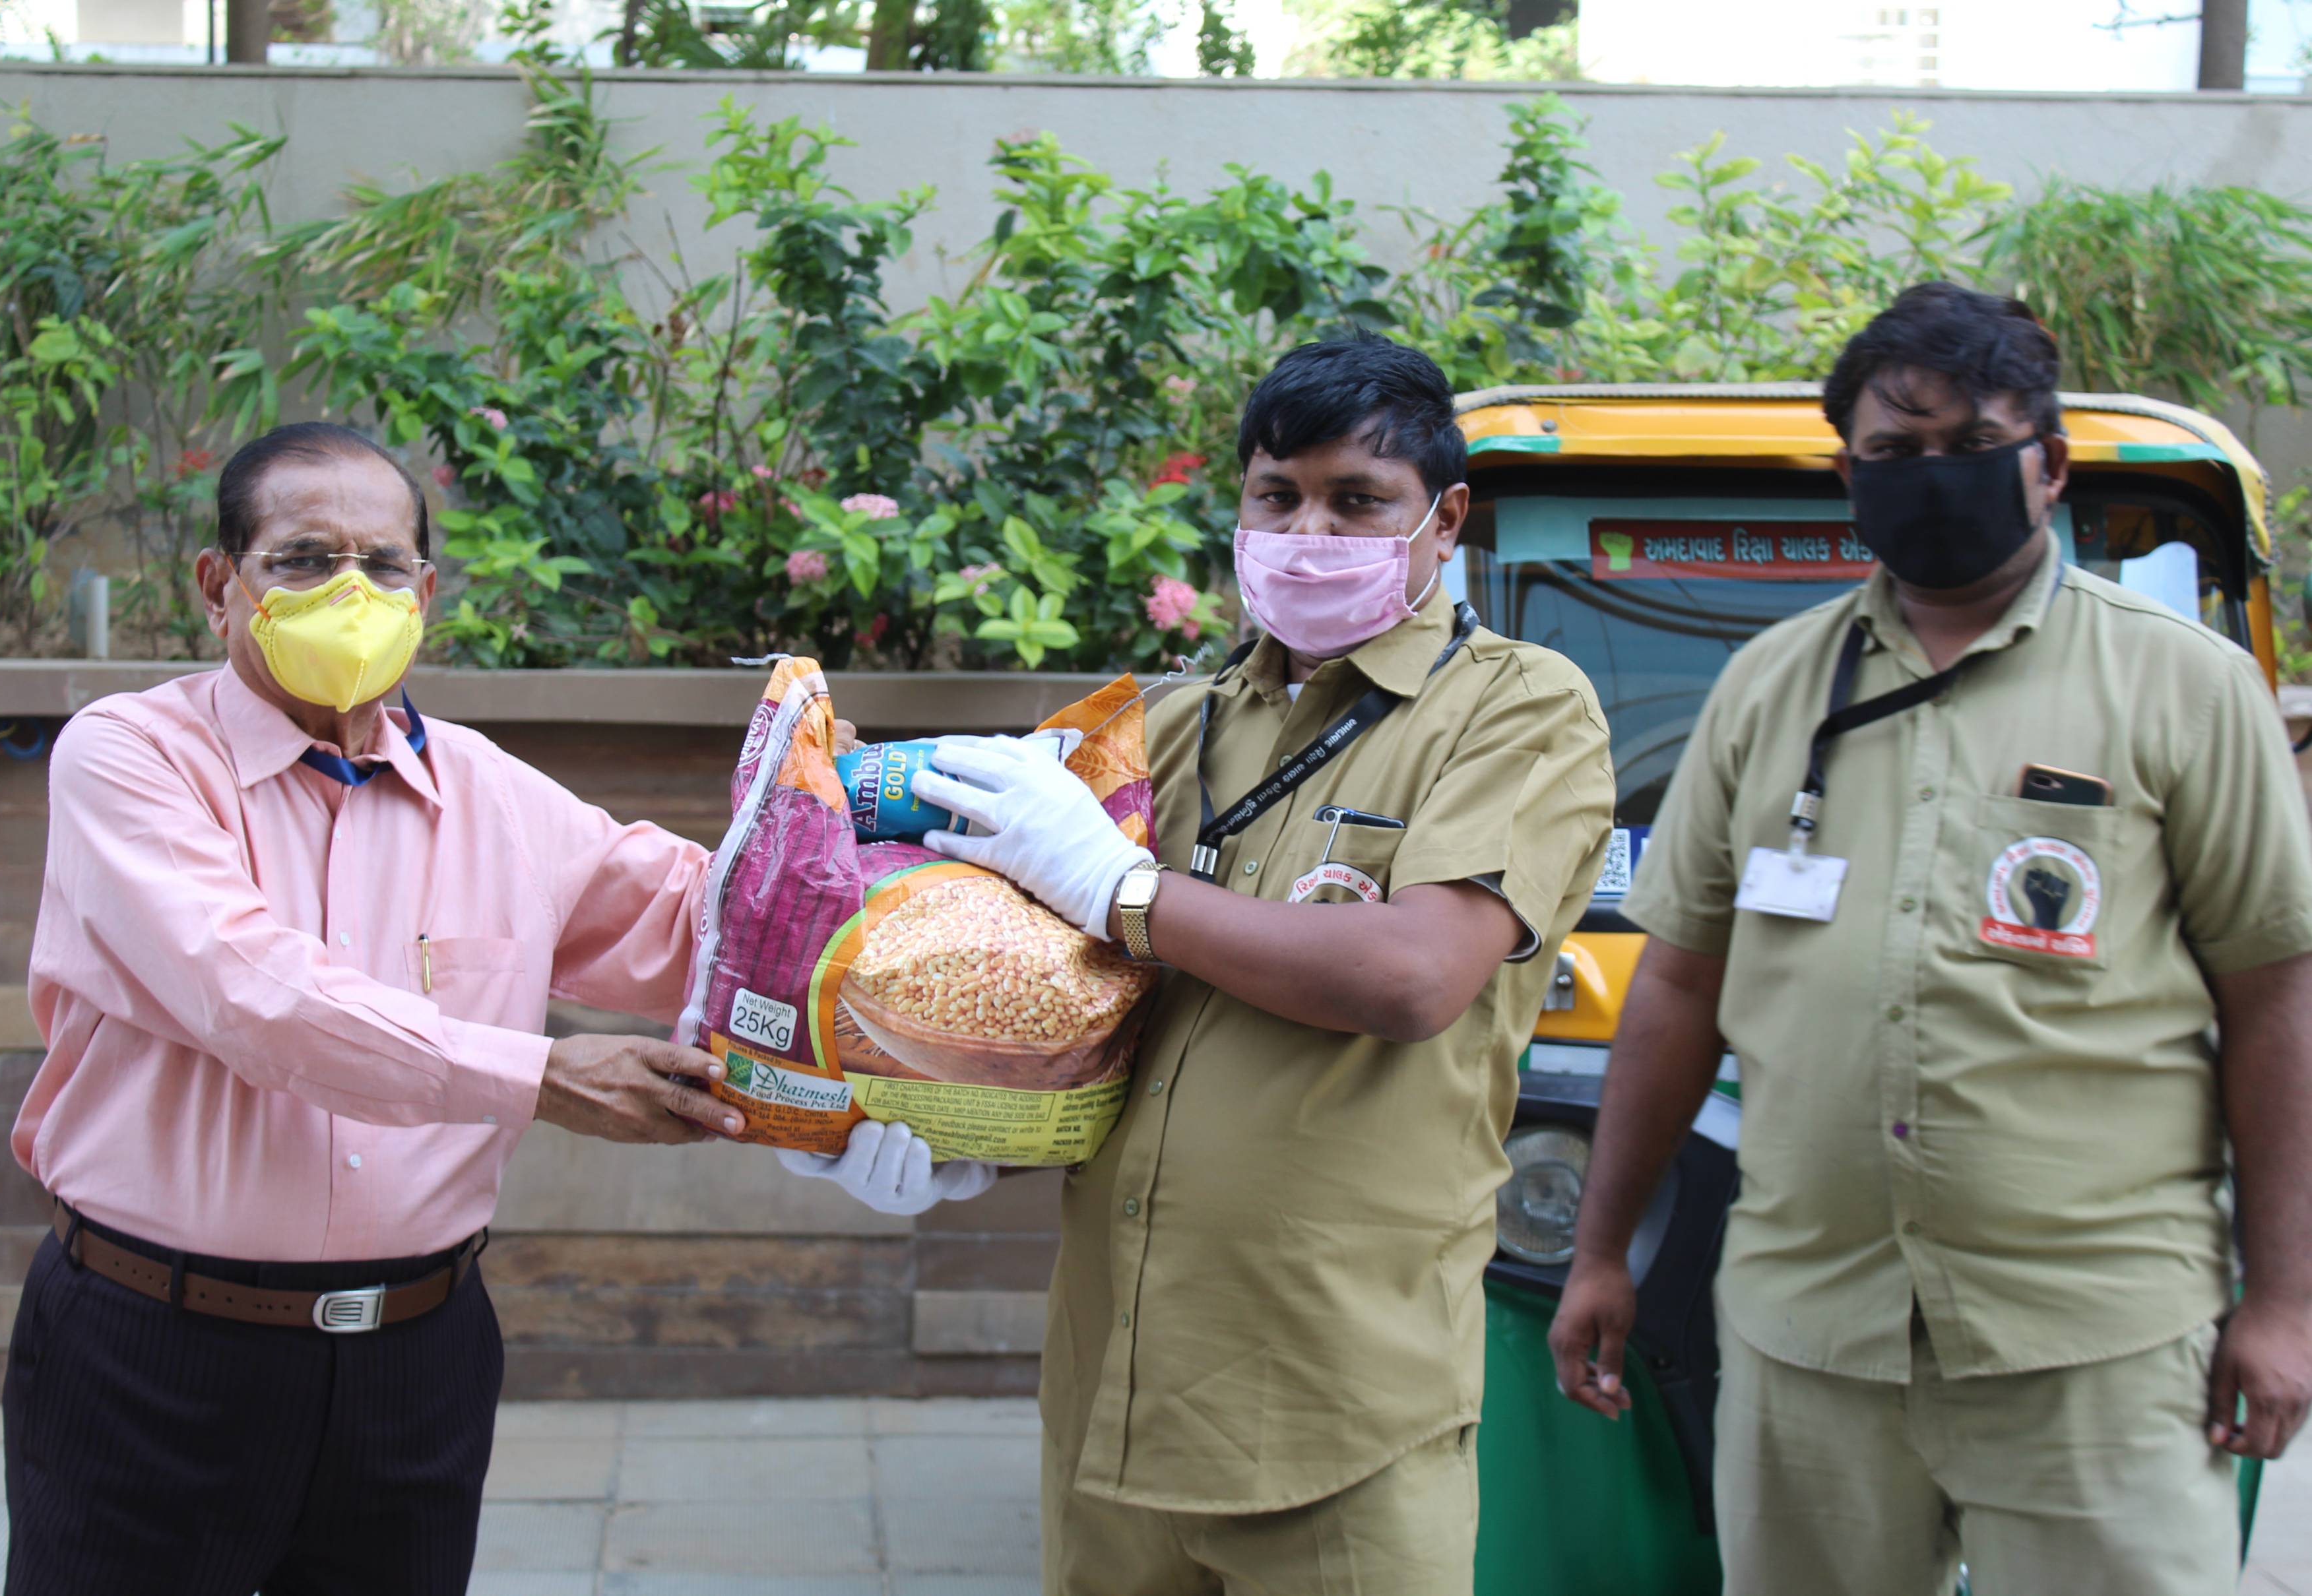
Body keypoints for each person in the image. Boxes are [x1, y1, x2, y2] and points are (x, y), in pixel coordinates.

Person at [785, 335, 1615, 1595]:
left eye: (1357, 501)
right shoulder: (1169, 725)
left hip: (1340, 1410)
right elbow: (1069, 1006)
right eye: (1276, 496)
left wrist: (1126, 890)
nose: (1308, 530)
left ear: (1444, 522)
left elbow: (1410, 978)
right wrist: (932, 1125)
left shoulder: (1517, 709)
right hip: (1114, 1398)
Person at [1547, 283, 2312, 1593]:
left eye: (1967, 445)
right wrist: (1603, 1249)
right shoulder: (1767, 686)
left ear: (2047, 466)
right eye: (1890, 455)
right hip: (1809, 1341)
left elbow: (2273, 1003)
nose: (1927, 479)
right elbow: (1673, 987)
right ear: (1846, 473)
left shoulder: (2179, 685)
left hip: (2096, 1344)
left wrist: (2282, 1300)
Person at [5, 422, 747, 1596]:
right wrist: (542, 1075)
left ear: (426, 590)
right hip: (156, 1349)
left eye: (383, 564)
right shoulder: (132, 756)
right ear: (220, 586)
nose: (350, 591)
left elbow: (704, 924)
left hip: (418, 1357)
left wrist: (865, 838)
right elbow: (257, 997)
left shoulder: (489, 793)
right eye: (304, 560)